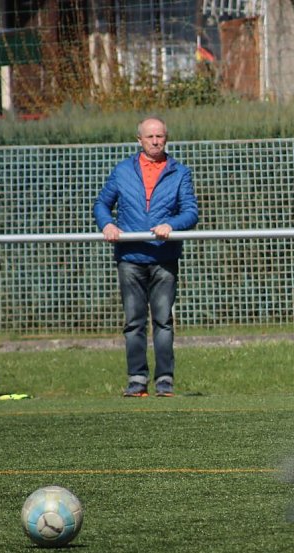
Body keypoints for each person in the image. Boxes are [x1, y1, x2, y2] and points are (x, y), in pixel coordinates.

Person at [93, 116, 199, 398]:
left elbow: (191, 211)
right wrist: (107, 224)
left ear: (166, 138)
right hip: (130, 257)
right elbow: (102, 204)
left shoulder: (179, 172)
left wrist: (172, 225)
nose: (155, 141)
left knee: (163, 321)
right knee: (134, 321)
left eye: (160, 136)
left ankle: (165, 380)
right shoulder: (123, 170)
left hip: (164, 257)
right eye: (150, 136)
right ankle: (137, 379)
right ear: (138, 139)